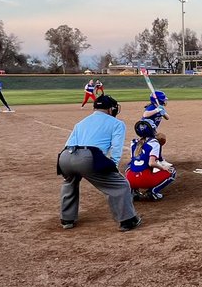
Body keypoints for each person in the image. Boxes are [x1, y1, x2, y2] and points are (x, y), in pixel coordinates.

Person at [57, 95, 142, 231]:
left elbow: (68, 144)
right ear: (110, 109)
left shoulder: (81, 123)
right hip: (88, 157)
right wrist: (113, 166)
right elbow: (116, 148)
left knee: (70, 183)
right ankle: (128, 221)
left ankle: (67, 219)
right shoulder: (117, 123)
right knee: (120, 185)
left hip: (65, 157)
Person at [126, 119, 177, 200]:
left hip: (130, 179)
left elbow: (132, 161)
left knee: (129, 167)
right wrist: (163, 168)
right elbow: (151, 163)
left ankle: (133, 191)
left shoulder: (133, 142)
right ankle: (153, 192)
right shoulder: (154, 143)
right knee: (172, 171)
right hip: (144, 179)